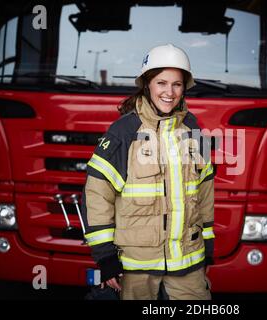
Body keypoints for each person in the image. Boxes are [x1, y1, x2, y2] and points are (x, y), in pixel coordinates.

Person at [81, 44, 215, 300]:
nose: (169, 92)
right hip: (135, 267)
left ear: (184, 87)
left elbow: (205, 194)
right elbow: (97, 195)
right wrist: (105, 257)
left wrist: (207, 248)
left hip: (188, 264)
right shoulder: (124, 132)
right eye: (161, 83)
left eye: (177, 84)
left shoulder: (194, 131)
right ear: (147, 85)